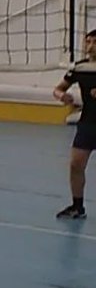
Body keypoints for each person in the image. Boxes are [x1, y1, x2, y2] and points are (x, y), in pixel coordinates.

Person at [53, 30, 96, 219]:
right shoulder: (80, 67)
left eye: (95, 42)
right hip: (88, 123)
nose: (91, 46)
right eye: (88, 42)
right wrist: (62, 95)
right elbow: (58, 89)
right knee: (76, 165)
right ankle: (77, 207)